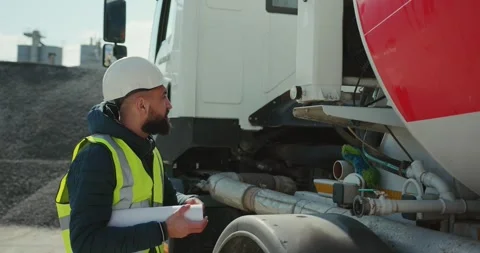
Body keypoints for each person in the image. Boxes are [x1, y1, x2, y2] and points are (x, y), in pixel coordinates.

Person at [54, 56, 208, 253]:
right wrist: (163, 230)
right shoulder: (97, 156)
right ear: (141, 105)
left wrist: (186, 202)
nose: (169, 105)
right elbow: (86, 243)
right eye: (163, 96)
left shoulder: (147, 150)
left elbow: (165, 197)